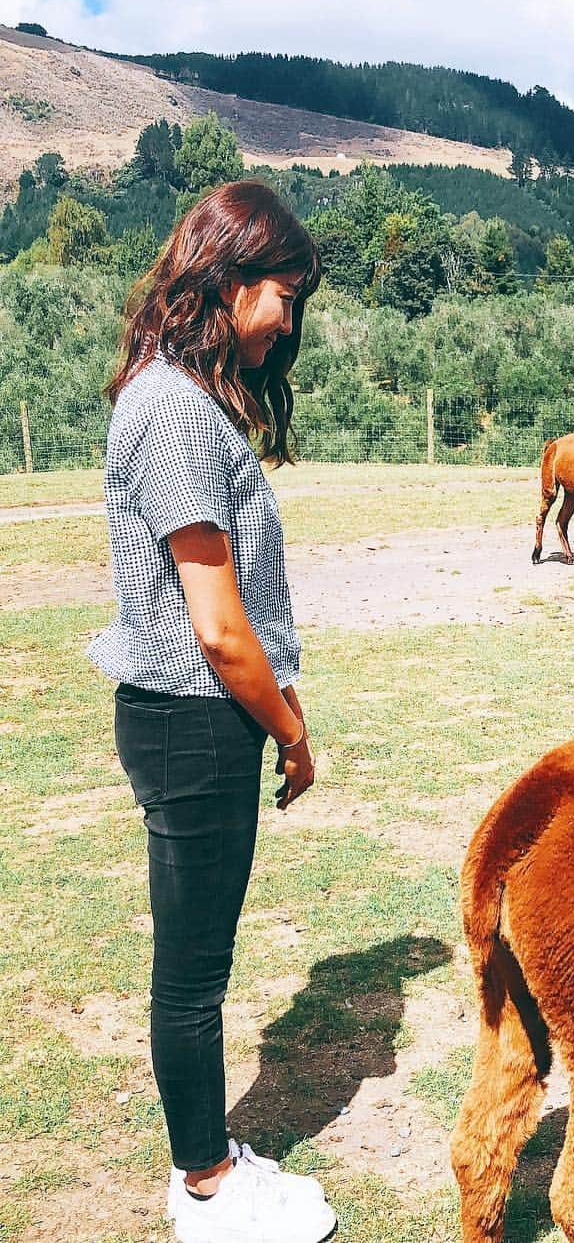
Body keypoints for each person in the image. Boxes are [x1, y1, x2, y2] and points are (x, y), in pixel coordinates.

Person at [88, 181, 337, 1243]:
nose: (288, 322)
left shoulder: (178, 398)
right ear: (227, 279)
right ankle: (205, 1187)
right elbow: (218, 628)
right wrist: (290, 729)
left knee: (199, 961)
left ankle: (209, 1159)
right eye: (282, 295)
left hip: (200, 717)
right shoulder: (174, 412)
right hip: (196, 720)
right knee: (192, 972)